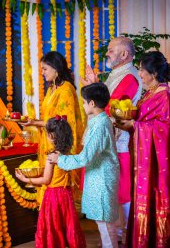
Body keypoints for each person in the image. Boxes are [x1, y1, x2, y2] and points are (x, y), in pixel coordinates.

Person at [115, 51, 170, 248]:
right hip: (146, 162)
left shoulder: (164, 95)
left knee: (156, 198)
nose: (139, 74)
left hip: (158, 164)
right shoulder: (150, 93)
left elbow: (164, 131)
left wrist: (133, 126)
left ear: (153, 73)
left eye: (141, 70)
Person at [81, 36, 143, 241]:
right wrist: (95, 85)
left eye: (110, 50)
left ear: (124, 54)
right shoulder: (117, 74)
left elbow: (113, 108)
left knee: (116, 200)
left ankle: (118, 241)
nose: (106, 53)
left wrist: (93, 92)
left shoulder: (129, 77)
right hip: (109, 145)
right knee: (109, 202)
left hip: (117, 147)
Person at [49, 82, 120, 248]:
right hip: (99, 177)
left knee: (105, 223)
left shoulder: (101, 125)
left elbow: (86, 157)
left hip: (102, 178)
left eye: (83, 101)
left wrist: (60, 160)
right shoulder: (97, 121)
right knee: (102, 222)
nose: (82, 105)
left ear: (92, 103)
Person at [20, 51, 84, 204]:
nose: (42, 73)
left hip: (60, 144)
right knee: (48, 182)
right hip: (48, 140)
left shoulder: (66, 89)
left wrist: (35, 123)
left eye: (45, 69)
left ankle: (58, 218)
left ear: (56, 69)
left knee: (56, 184)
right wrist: (35, 121)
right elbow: (50, 117)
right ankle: (48, 218)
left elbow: (63, 121)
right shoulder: (51, 89)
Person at [15, 117, 86, 248]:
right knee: (67, 223)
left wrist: (26, 179)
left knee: (53, 225)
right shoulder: (67, 153)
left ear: (51, 136)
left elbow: (46, 180)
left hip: (53, 196)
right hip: (66, 195)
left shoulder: (52, 157)